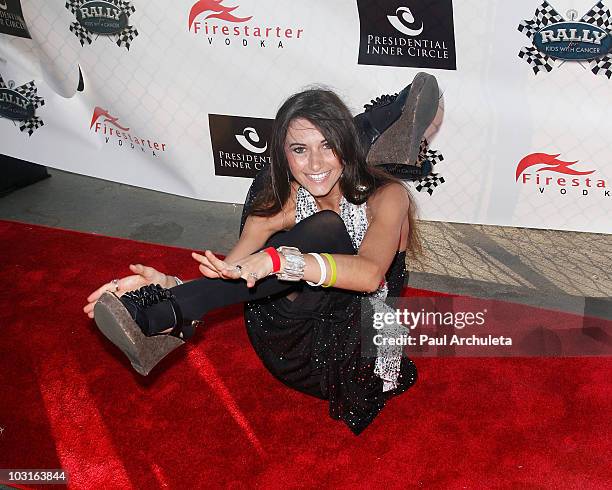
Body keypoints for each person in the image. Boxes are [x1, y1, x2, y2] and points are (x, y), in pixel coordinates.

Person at [83, 74, 439, 434]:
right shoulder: (284, 200)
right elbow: (229, 274)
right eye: (299, 149)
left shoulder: (388, 197)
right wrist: (170, 283)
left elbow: (370, 275)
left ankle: (165, 313)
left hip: (351, 349)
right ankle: (170, 308)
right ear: (284, 155)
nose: (314, 163)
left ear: (346, 144)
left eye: (328, 145)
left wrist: (279, 260)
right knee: (309, 221)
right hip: (286, 339)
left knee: (327, 226)